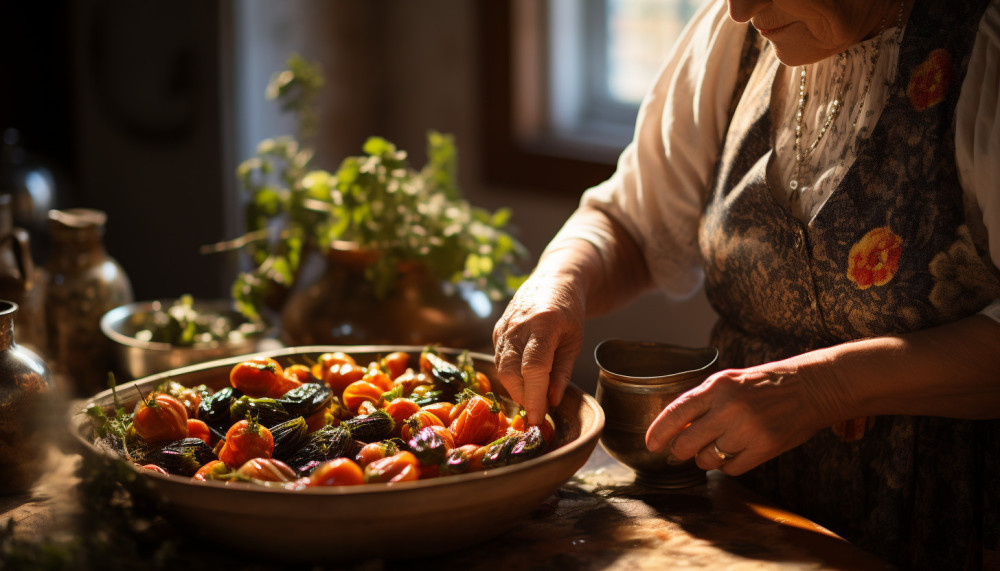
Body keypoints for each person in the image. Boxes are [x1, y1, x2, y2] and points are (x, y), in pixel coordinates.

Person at [491, 0, 1000, 567]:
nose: (738, 9)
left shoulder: (985, 48)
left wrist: (818, 389)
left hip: (946, 513)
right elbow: (632, 224)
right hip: (750, 501)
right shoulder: (736, 38)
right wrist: (558, 281)